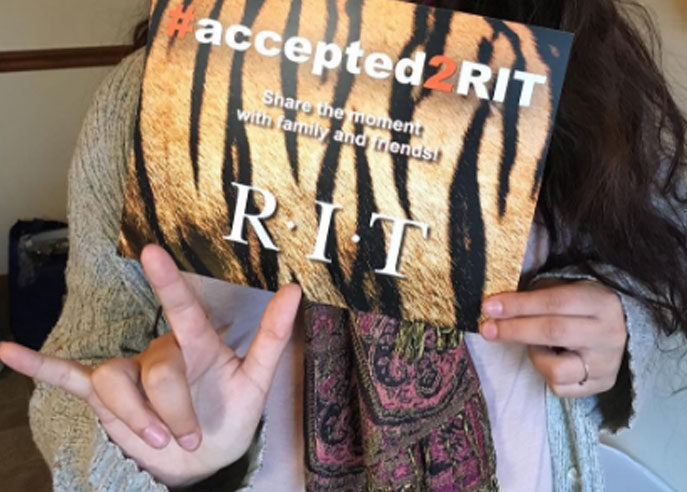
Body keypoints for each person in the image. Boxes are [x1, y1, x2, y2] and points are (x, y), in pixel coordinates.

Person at [1, 0, 686, 490]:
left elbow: (650, 283)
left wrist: (615, 333)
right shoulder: (154, 94)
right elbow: (82, 368)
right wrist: (159, 452)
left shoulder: (570, 72)